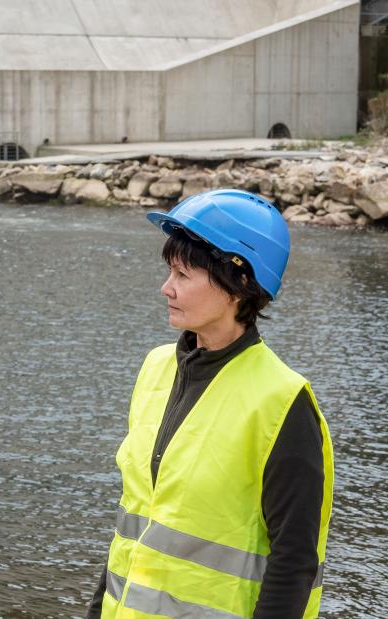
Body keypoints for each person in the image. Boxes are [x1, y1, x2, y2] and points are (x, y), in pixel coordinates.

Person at [86, 189, 333, 619]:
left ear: (239, 283)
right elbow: (134, 525)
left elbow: (293, 563)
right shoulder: (156, 368)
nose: (166, 288)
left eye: (183, 275)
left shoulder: (282, 403)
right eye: (169, 271)